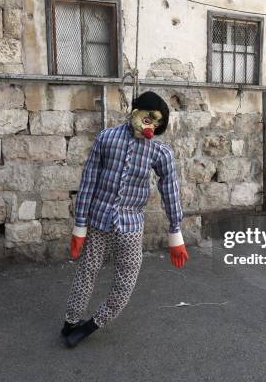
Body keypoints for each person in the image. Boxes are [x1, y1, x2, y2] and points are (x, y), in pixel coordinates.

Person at [61, 91, 188, 348]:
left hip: (131, 225)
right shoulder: (106, 139)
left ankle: (91, 325)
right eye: (149, 118)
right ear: (135, 110)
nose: (151, 125)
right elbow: (88, 182)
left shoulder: (160, 152)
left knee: (127, 278)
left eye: (158, 123)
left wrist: (175, 232)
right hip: (98, 219)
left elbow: (170, 190)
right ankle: (70, 322)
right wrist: (80, 225)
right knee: (86, 271)